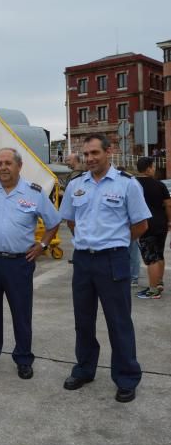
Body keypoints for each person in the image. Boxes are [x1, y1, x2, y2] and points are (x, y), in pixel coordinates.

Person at [59, 133, 151, 403]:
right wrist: (88, 241)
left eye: (94, 153)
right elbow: (71, 221)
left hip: (113, 259)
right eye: (86, 154)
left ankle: (126, 377)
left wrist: (116, 242)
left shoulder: (127, 184)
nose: (89, 159)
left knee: (119, 322)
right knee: (83, 321)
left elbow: (141, 225)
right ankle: (85, 369)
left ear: (109, 152)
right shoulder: (77, 184)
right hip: (84, 261)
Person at [0, 148, 60, 379]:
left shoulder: (34, 193)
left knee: (21, 313)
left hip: (19, 263)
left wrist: (43, 246)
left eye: (8, 163)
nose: (3, 167)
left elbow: (53, 222)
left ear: (19, 166)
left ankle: (23, 359)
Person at [135, 157, 171, 300]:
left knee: (151, 258)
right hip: (161, 223)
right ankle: (159, 282)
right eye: (153, 166)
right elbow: (168, 204)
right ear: (149, 168)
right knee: (159, 254)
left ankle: (153, 290)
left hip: (144, 224)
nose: (155, 169)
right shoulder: (159, 185)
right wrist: (169, 221)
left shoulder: (134, 184)